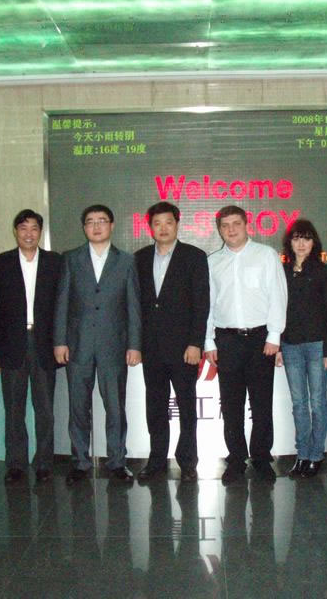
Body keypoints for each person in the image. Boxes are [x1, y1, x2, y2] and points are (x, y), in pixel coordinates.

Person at [54, 204, 142, 485]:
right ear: (84, 227)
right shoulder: (71, 259)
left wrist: (134, 344)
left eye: (102, 221)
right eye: (90, 221)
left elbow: (133, 306)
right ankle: (80, 462)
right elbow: (62, 302)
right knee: (78, 407)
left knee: (115, 407)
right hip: (78, 345)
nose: (96, 226)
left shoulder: (126, 261)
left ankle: (117, 462)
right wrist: (59, 341)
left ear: (111, 225)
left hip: (113, 346)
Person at [204, 205, 288, 483]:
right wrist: (208, 340)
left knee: (261, 403)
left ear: (246, 224)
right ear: (219, 229)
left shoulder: (266, 255)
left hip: (260, 340)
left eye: (236, 224)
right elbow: (208, 305)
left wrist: (274, 336)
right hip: (226, 340)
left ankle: (262, 457)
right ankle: (236, 459)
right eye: (225, 225)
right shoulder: (212, 262)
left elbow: (278, 296)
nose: (231, 230)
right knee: (231, 404)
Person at [135, 201, 209, 482]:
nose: (163, 228)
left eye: (168, 222)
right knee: (155, 406)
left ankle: (188, 462)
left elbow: (201, 303)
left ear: (177, 224)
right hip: (151, 347)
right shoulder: (139, 258)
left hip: (183, 348)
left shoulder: (194, 256)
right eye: (157, 223)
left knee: (187, 405)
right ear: (150, 227)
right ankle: (156, 460)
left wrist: (195, 343)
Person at [0, 209, 61, 485]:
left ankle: (44, 463)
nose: (28, 234)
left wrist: (61, 342)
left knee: (45, 410)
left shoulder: (55, 262)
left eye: (34, 228)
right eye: (23, 228)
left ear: (40, 232)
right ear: (15, 231)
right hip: (12, 344)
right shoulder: (2, 263)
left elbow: (62, 306)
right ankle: (16, 464)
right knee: (14, 409)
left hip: (44, 344)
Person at [275, 219, 327, 478]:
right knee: (299, 403)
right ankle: (302, 454)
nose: (301, 244)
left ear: (314, 242)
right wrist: (278, 345)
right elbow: (276, 310)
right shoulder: (282, 272)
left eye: (307, 238)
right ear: (289, 242)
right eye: (297, 238)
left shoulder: (323, 271)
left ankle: (316, 455)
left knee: (318, 403)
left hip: (317, 345)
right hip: (290, 345)